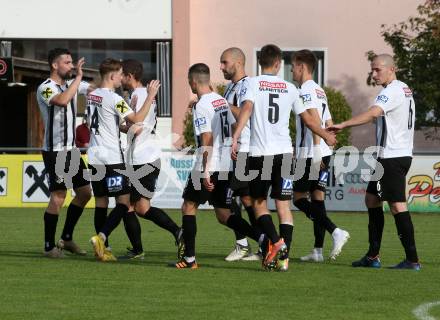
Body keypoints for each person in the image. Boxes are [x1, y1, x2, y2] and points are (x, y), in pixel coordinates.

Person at [232, 44, 336, 271]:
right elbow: (309, 121)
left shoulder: (252, 83)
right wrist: (325, 135)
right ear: (279, 64)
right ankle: (283, 259)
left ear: (261, 62)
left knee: (259, 204)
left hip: (262, 155)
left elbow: (247, 109)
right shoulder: (291, 88)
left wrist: (236, 136)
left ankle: (277, 243)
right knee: (284, 206)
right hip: (286, 155)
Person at [329, 54, 420, 270]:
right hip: (390, 157)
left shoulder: (392, 91)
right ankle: (372, 256)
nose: (374, 74)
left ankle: (412, 260)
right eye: (372, 70)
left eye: (378, 69)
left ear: (392, 69)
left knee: (397, 205)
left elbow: (373, 114)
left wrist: (344, 125)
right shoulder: (404, 89)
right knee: (372, 199)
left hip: (392, 157)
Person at [173, 63, 259, 269]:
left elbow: (207, 138)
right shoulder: (221, 100)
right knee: (224, 214)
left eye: (189, 83)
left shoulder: (203, 105)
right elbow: (232, 124)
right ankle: (266, 240)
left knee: (188, 206)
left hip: (209, 165)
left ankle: (190, 259)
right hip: (225, 164)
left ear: (193, 82)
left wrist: (205, 170)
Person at [87, 58, 160, 261]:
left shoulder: (92, 96)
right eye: (119, 74)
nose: (121, 78)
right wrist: (151, 96)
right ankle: (101, 238)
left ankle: (104, 250)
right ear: (112, 76)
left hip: (94, 156)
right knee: (124, 202)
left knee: (101, 203)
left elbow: (91, 122)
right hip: (111, 158)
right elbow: (137, 120)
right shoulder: (113, 98)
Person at [119, 59, 182, 260]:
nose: (119, 78)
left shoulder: (139, 95)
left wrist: (121, 125)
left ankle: (138, 250)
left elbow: (136, 129)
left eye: (122, 74)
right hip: (148, 157)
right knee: (141, 208)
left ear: (129, 76)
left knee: (127, 205)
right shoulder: (145, 95)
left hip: (142, 159)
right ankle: (177, 232)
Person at [290, 49, 350, 262]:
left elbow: (314, 119)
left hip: (311, 154)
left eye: (293, 66)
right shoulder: (320, 90)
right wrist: (326, 149)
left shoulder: (305, 90)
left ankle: (335, 231)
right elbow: (329, 123)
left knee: (298, 198)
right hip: (323, 153)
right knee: (317, 199)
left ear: (302, 67)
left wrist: (316, 150)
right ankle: (317, 250)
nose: (291, 70)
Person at [36, 48, 92, 258]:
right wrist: (78, 78)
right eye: (67, 62)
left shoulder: (72, 84)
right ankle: (49, 246)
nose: (72, 65)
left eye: (72, 62)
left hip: (72, 151)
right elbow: (62, 100)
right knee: (59, 196)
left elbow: (94, 88)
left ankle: (66, 238)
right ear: (54, 65)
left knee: (85, 193)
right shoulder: (46, 87)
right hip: (55, 151)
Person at [219, 47, 262, 262]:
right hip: (232, 149)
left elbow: (248, 112)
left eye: (224, 62)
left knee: (225, 199)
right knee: (247, 200)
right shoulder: (230, 88)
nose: (221, 67)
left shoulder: (248, 85)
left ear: (237, 63)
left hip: (244, 149)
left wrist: (224, 105)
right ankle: (260, 244)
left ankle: (248, 243)